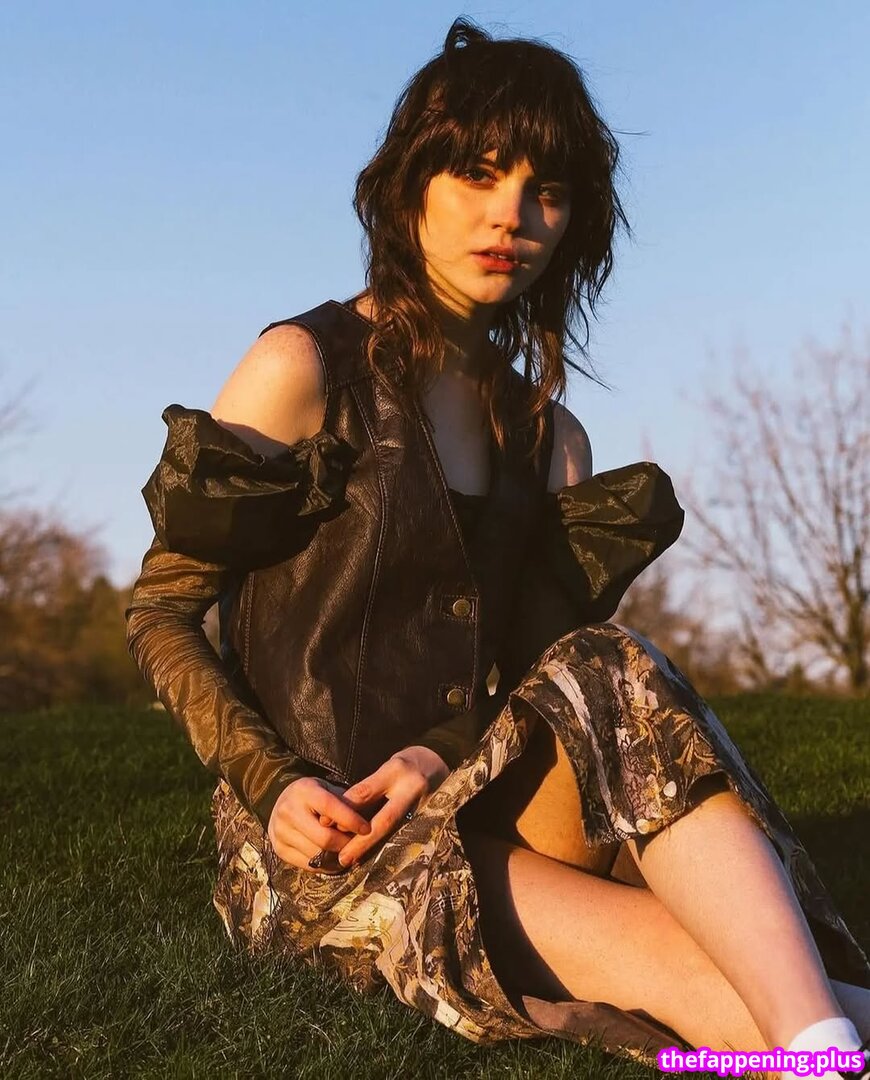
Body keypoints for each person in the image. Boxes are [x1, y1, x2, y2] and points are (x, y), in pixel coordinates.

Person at [125, 17, 869, 1079]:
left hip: (485, 800)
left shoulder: (550, 437)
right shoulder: (304, 368)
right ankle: (820, 1042)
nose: (510, 215)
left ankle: (813, 1049)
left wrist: (439, 752)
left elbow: (549, 682)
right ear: (409, 187)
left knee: (604, 663)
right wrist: (272, 780)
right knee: (712, 972)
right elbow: (160, 612)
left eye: (545, 190)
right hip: (331, 850)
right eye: (477, 173)